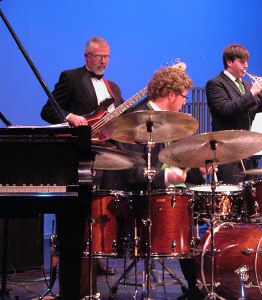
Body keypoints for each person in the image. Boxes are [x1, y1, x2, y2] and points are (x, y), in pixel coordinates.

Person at [101, 67, 205, 300]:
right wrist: (167, 177)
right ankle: (195, 286)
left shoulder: (174, 124)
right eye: (183, 97)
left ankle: (197, 287)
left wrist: (201, 166)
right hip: (139, 197)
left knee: (198, 212)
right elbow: (133, 172)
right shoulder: (136, 121)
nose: (184, 102)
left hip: (170, 193)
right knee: (183, 215)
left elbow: (182, 164)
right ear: (170, 95)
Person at [41, 36, 121, 299]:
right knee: (75, 219)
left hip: (105, 158)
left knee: (99, 212)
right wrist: (70, 117)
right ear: (86, 56)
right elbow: (47, 110)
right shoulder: (71, 77)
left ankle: (96, 257)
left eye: (107, 56)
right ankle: (72, 284)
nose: (103, 61)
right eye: (99, 56)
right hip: (78, 158)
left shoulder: (113, 88)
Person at [206, 44, 262, 184]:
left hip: (249, 151)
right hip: (229, 153)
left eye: (247, 61)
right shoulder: (216, 84)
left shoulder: (247, 85)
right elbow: (226, 109)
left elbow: (256, 115)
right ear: (229, 62)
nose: (246, 66)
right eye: (242, 61)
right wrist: (252, 93)